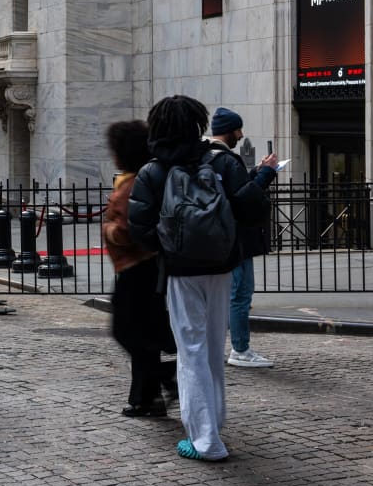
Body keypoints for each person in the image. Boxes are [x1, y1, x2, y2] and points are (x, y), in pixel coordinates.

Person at [126, 95, 269, 462]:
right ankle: (213, 424)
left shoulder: (153, 172)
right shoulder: (222, 162)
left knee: (190, 351)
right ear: (197, 124)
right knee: (213, 349)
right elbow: (252, 210)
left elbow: (139, 228)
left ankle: (204, 440)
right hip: (222, 267)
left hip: (180, 271)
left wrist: (169, 247)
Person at [103, 119, 177, 418]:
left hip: (136, 267)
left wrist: (108, 230)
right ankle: (147, 398)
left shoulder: (133, 183)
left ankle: (165, 377)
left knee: (127, 331)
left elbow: (126, 230)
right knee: (144, 332)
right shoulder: (141, 178)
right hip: (143, 266)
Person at [207, 108, 279, 369]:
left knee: (228, 295)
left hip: (217, 237)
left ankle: (224, 347)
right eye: (238, 129)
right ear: (230, 130)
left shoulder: (208, 156)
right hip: (235, 238)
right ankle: (240, 349)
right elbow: (246, 199)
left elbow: (235, 190)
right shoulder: (227, 159)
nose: (241, 135)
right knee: (240, 294)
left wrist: (257, 171)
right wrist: (266, 173)